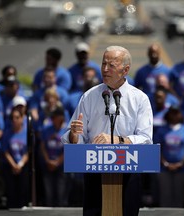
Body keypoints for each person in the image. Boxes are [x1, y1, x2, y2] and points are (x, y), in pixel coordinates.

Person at [61, 46, 153, 216]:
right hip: (94, 171)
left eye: (111, 65)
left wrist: (117, 140)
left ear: (125, 70)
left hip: (129, 171)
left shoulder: (140, 99)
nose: (104, 69)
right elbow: (75, 138)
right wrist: (74, 135)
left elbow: (146, 139)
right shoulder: (89, 96)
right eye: (103, 64)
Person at [153, 107, 184, 207]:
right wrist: (165, 163)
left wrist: (181, 163)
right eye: (172, 113)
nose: (174, 115)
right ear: (168, 114)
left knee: (179, 195)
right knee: (165, 195)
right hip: (164, 168)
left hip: (182, 169)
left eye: (176, 113)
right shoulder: (162, 130)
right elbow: (156, 148)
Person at [39, 107, 71, 207]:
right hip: (48, 164)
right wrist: (48, 160)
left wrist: (58, 161)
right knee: (49, 193)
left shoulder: (67, 131)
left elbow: (69, 148)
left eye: (54, 117)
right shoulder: (46, 129)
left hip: (62, 166)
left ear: (61, 118)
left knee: (60, 192)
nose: (52, 119)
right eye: (51, 117)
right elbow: (42, 146)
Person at [1, 107, 29, 208]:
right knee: (11, 190)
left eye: (17, 117)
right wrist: (14, 165)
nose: (14, 120)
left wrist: (20, 164)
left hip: (23, 165)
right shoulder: (7, 133)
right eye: (12, 118)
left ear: (22, 119)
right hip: (10, 166)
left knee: (23, 189)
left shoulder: (26, 133)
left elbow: (29, 151)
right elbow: (5, 151)